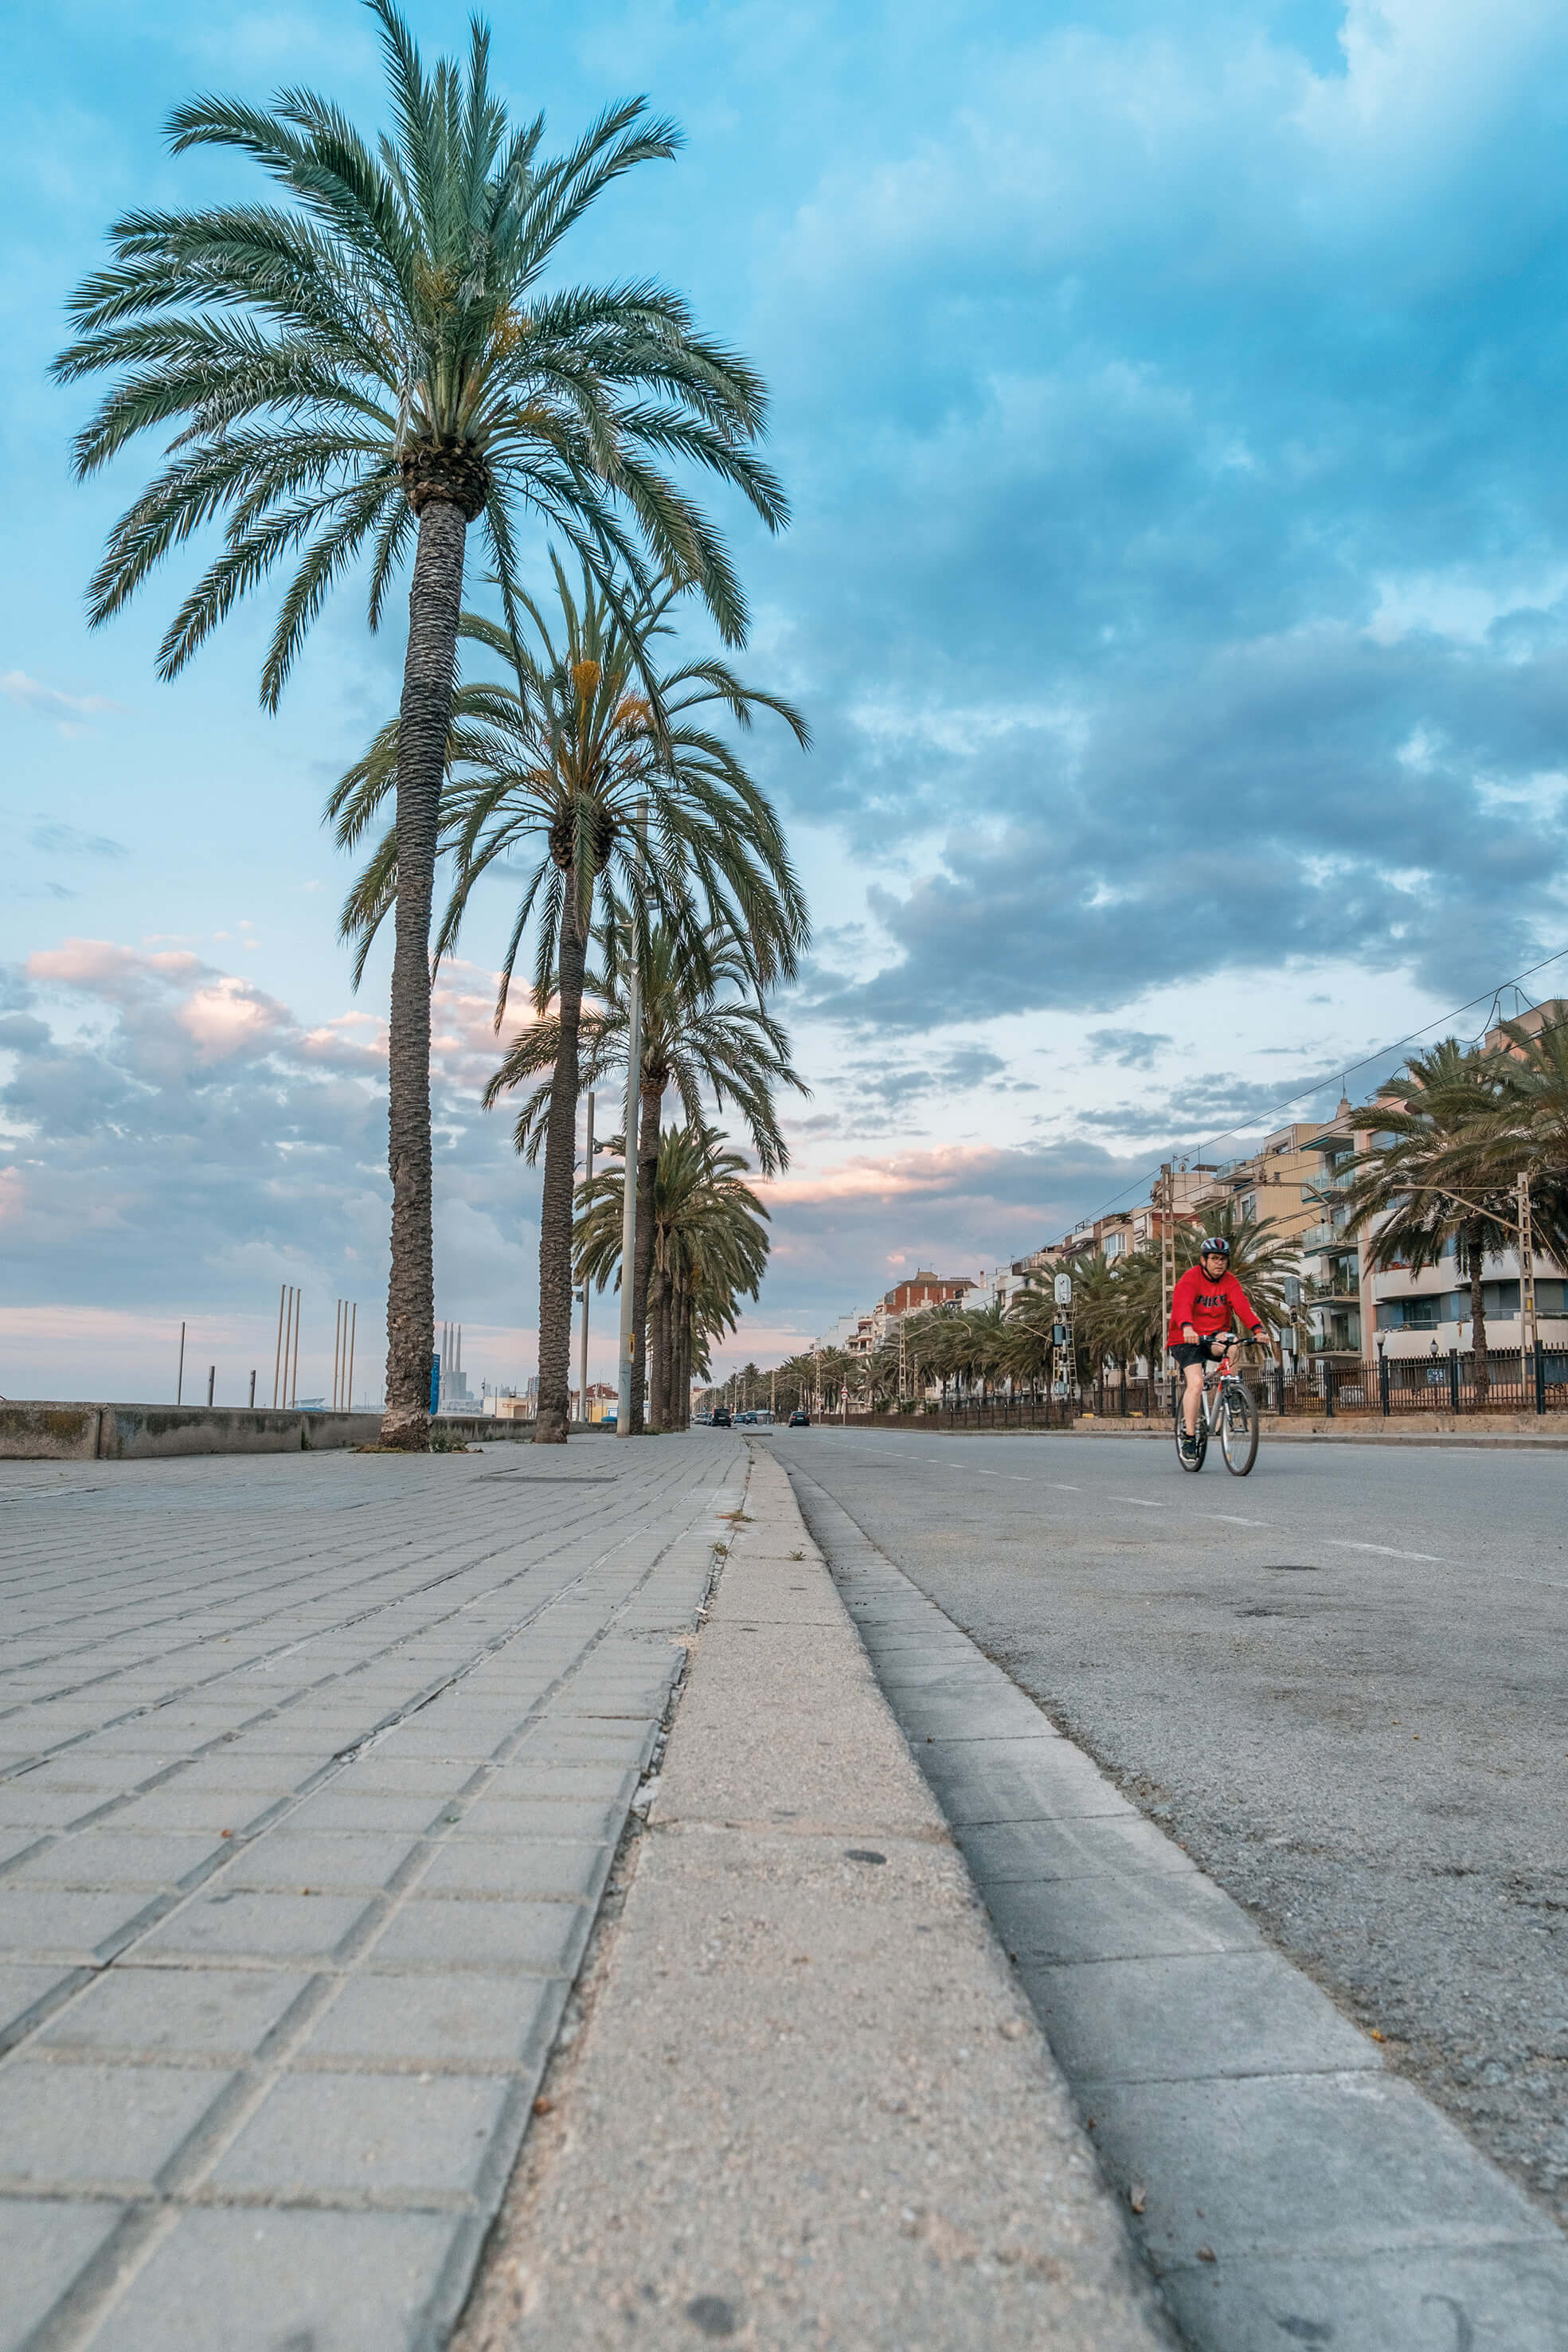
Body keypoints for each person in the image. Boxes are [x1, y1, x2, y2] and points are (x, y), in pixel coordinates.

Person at [1167, 1236, 1267, 1463]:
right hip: (1185, 1337)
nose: (1219, 1263)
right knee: (1196, 1383)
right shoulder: (1191, 1278)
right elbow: (1182, 1305)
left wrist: (1258, 1329)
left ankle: (1231, 1389)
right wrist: (1187, 1327)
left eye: (1223, 1259)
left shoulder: (1229, 1281)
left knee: (1233, 1344)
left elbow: (1242, 1305)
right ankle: (1190, 1437)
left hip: (1213, 1335)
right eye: (1214, 1259)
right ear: (1204, 1260)